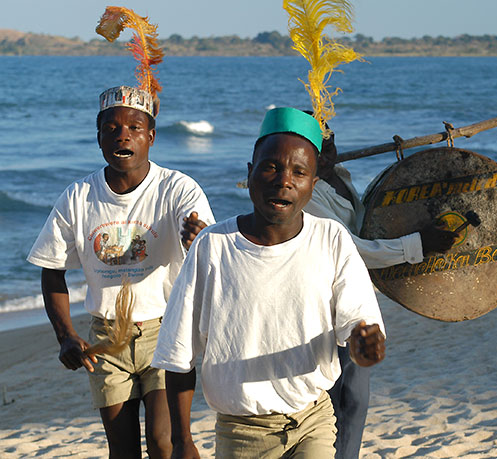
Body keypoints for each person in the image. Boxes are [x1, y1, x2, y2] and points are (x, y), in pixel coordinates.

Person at [152, 107, 387, 459]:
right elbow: (178, 353)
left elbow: (358, 326)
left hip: (313, 420)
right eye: (271, 167)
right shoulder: (213, 246)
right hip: (241, 430)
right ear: (250, 174)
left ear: (313, 184)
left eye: (299, 172)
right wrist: (182, 440)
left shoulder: (331, 239)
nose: (284, 180)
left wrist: (367, 348)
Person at [27, 84, 215, 458]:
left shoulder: (177, 188)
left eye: (134, 127)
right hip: (106, 339)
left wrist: (196, 237)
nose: (122, 134)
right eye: (111, 128)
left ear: (151, 137)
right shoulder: (78, 197)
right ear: (98, 138)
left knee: (167, 442)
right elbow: (52, 271)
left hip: (165, 330)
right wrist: (66, 335)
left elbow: (203, 237)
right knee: (123, 450)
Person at [304, 128, 460, 459]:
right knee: (342, 398)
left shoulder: (339, 175)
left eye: (330, 145)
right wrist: (417, 244)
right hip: (326, 306)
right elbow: (353, 248)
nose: (327, 155)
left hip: (356, 297)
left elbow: (366, 224)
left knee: (356, 399)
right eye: (317, 149)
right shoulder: (309, 197)